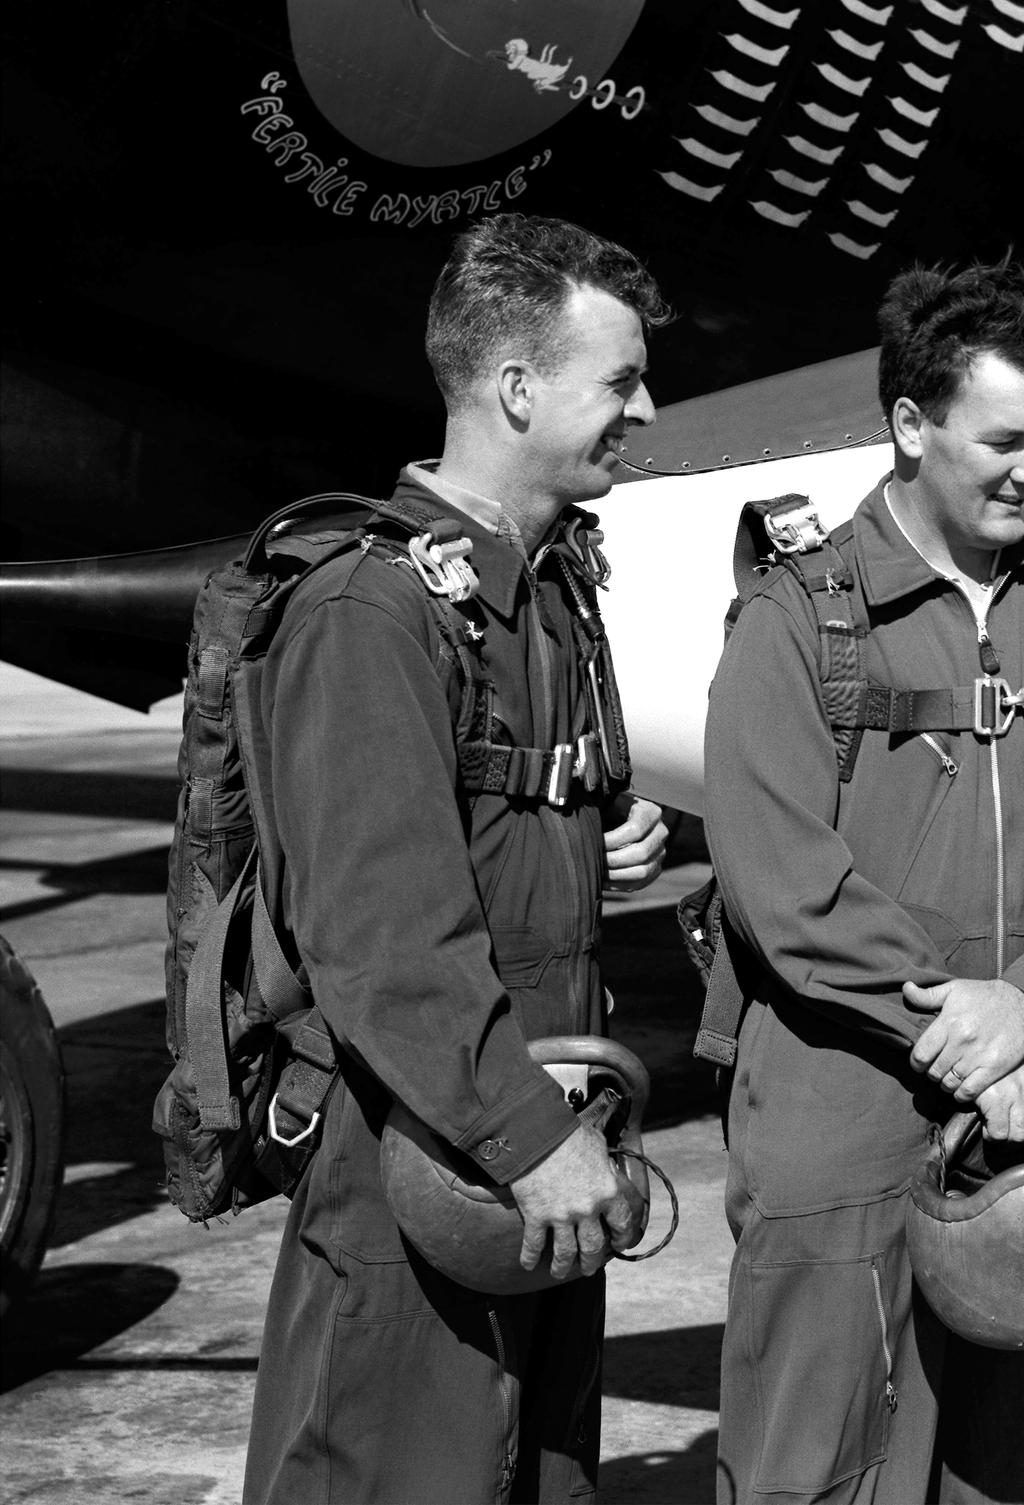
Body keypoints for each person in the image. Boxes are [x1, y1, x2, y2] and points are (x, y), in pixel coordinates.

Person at [703, 262, 1024, 1504]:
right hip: (846, 1108)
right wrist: (968, 1031)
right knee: (817, 1469)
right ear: (911, 425)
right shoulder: (799, 617)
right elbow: (782, 878)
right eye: (1005, 440)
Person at [242, 214, 672, 1504]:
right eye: (621, 381)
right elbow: (382, 936)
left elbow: (471, 842)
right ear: (518, 387)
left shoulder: (548, 587)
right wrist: (529, 1139)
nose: (645, 410)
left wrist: (587, 848)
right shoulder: (371, 609)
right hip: (423, 1158)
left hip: (532, 1153)